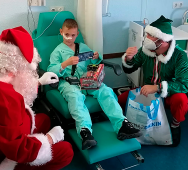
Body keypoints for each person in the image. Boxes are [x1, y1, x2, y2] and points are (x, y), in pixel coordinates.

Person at [0, 26, 74, 170]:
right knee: (66, 151)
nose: (32, 72)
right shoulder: (4, 99)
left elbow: (18, 86)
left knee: (44, 119)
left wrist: (38, 82)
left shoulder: (1, 79)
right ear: (17, 67)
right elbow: (18, 150)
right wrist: (50, 139)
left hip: (3, 139)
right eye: (30, 70)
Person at [47, 19, 142, 150]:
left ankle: (122, 125)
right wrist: (65, 64)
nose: (70, 38)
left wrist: (96, 57)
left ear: (77, 34)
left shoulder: (82, 47)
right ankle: (85, 132)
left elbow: (95, 62)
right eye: (66, 34)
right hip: (69, 83)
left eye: (73, 35)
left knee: (106, 91)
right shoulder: (57, 52)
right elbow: (50, 70)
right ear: (61, 32)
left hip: (87, 80)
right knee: (75, 97)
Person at [119, 15, 188, 147]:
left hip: (168, 94)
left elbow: (184, 85)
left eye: (151, 35)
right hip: (147, 93)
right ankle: (125, 124)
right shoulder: (146, 51)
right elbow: (130, 69)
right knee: (121, 100)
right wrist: (128, 59)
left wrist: (158, 88)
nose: (146, 38)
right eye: (147, 34)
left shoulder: (179, 55)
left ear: (163, 40)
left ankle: (175, 125)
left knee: (181, 100)